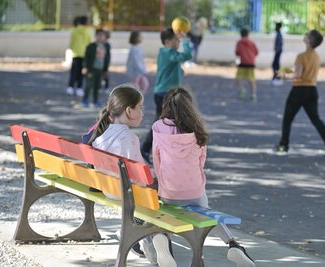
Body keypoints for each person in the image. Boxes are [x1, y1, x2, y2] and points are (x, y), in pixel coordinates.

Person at [152, 87, 256, 267]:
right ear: (190, 107)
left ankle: (163, 240)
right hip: (195, 192)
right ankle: (233, 245)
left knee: (167, 214)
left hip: (169, 192)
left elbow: (157, 159)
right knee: (207, 211)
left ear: (166, 106)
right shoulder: (197, 130)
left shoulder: (158, 127)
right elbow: (201, 162)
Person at [85, 84, 171, 264]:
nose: (142, 112)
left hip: (107, 187)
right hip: (126, 192)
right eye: (140, 107)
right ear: (129, 111)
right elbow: (143, 176)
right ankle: (148, 232)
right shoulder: (129, 138)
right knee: (161, 187)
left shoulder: (101, 133)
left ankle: (140, 232)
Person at [275, 29, 325, 159]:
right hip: (312, 90)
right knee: (316, 119)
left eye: (307, 35)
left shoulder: (301, 56)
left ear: (309, 41)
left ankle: (283, 145)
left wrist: (282, 76)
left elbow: (297, 75)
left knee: (287, 119)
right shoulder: (316, 56)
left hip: (299, 91)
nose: (305, 36)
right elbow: (304, 72)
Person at [141, 27, 192, 163]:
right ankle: (150, 149)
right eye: (177, 40)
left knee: (163, 122)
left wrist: (178, 71)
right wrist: (186, 41)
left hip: (163, 92)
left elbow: (171, 67)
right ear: (168, 41)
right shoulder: (169, 52)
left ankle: (149, 149)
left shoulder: (165, 53)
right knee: (167, 123)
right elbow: (186, 56)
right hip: (166, 94)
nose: (179, 42)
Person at [81, 29, 111, 107]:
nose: (100, 37)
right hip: (91, 69)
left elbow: (107, 58)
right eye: (99, 35)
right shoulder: (91, 46)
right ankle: (85, 99)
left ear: (105, 37)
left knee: (97, 86)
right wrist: (85, 67)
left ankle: (95, 100)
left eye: (102, 35)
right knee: (89, 84)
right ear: (95, 36)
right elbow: (86, 58)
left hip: (100, 69)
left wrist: (106, 69)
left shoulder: (106, 46)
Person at [66, 16, 91, 96]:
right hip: (84, 55)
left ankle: (70, 87)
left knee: (74, 72)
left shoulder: (74, 31)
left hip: (76, 54)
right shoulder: (87, 32)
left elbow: (72, 42)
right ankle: (79, 88)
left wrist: (71, 48)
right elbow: (89, 44)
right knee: (81, 73)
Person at [235, 28, 259, 102]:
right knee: (251, 79)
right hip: (251, 63)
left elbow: (237, 52)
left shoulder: (239, 42)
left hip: (242, 63)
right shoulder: (252, 42)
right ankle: (253, 95)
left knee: (238, 77)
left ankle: (242, 89)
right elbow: (256, 52)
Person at [271, 22, 283, 86]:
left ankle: (277, 77)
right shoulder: (278, 34)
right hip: (278, 51)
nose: (275, 28)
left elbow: (280, 44)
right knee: (276, 64)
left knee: (275, 65)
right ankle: (276, 76)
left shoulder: (279, 35)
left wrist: (277, 50)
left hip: (278, 51)